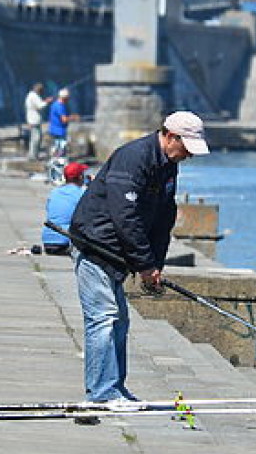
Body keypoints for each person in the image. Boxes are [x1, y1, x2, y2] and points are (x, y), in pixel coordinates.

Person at [69, 111, 209, 406]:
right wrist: (144, 265)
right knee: (103, 319)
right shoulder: (133, 158)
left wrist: (155, 263)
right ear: (170, 136)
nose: (188, 156)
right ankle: (102, 393)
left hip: (118, 251)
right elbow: (125, 216)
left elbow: (163, 216)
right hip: (95, 245)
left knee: (119, 322)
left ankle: (116, 388)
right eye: (186, 147)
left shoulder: (169, 164)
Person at [38, 162, 87, 255]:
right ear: (81, 177)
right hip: (66, 241)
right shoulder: (82, 194)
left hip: (48, 241)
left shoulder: (54, 192)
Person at [24, 82, 51, 161]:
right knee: (36, 138)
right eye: (41, 90)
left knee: (34, 138)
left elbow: (38, 105)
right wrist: (47, 101)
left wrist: (45, 101)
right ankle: (33, 156)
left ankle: (32, 155)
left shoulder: (30, 95)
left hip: (32, 120)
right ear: (38, 89)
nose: (42, 92)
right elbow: (40, 106)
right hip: (34, 120)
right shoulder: (34, 96)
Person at [48, 87, 73, 158]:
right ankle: (59, 161)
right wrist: (73, 117)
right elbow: (64, 119)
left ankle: (55, 159)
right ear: (64, 98)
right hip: (60, 131)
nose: (69, 99)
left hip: (53, 129)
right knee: (61, 149)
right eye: (68, 98)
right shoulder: (60, 106)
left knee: (56, 147)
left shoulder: (54, 104)